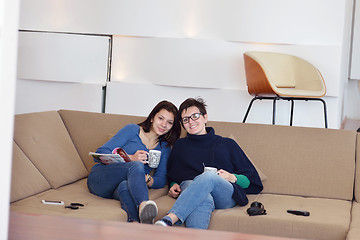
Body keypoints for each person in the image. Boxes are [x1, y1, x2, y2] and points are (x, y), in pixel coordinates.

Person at [155, 98, 263, 229]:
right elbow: (174, 175)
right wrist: (173, 185)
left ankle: (171, 217)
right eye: (186, 119)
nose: (191, 122)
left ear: (205, 117)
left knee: (209, 176)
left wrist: (231, 177)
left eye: (195, 116)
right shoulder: (180, 146)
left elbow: (252, 181)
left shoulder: (227, 144)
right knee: (202, 197)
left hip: (224, 194)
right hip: (192, 191)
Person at [87, 100, 181, 224]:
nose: (164, 124)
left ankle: (136, 225)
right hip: (101, 179)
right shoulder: (133, 130)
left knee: (126, 186)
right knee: (136, 165)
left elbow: (161, 180)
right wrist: (130, 158)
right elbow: (100, 154)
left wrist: (146, 178)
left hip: (120, 188)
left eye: (169, 122)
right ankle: (143, 205)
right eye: (161, 118)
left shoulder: (164, 147)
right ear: (152, 117)